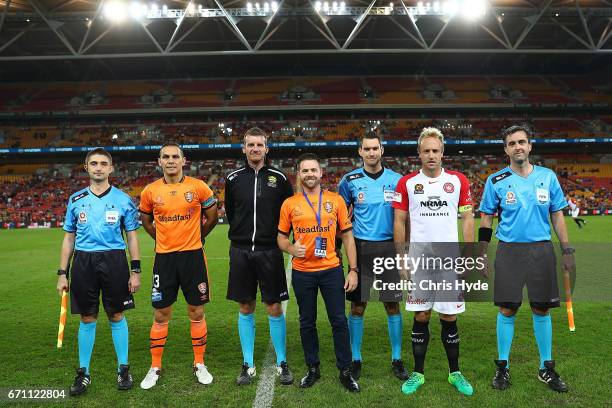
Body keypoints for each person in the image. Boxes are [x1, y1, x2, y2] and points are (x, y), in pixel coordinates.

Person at [479, 124, 575, 393]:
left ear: (530, 146)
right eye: (512, 143)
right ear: (506, 149)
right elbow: (486, 216)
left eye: (522, 142)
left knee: (541, 308)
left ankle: (547, 368)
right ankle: (503, 368)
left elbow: (557, 214)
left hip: (541, 251)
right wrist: (482, 253)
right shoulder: (496, 181)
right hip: (509, 251)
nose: (517, 147)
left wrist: (567, 250)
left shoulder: (548, 176)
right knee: (507, 308)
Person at [392, 128, 475, 396]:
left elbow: (468, 218)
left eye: (435, 150)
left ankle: (455, 373)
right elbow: (400, 221)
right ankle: (418, 373)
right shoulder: (406, 183)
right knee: (421, 315)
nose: (431, 155)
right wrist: (401, 257)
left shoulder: (458, 180)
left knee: (449, 316)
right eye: (426, 150)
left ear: (442, 153)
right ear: (419, 153)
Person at [57, 148, 141, 396]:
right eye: (93, 163)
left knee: (116, 315)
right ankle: (83, 373)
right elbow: (68, 238)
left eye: (103, 163)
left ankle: (123, 369)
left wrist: (135, 270)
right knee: (87, 318)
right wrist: (62, 272)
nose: (98, 167)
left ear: (111, 168)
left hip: (115, 260)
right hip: (84, 262)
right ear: (86, 167)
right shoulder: (76, 199)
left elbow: (133, 237)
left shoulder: (124, 199)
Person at [277, 153, 360, 392]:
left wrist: (353, 270)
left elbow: (347, 237)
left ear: (321, 173)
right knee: (307, 322)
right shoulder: (289, 204)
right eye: (305, 171)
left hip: (331, 270)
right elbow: (281, 238)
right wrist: (292, 248)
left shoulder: (335, 201)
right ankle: (312, 368)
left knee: (338, 321)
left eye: (314, 170)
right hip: (303, 273)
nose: (310, 174)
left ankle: (345, 370)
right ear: (299, 174)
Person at [138, 142, 218, 389]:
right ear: (159, 161)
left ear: (184, 161)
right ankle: (155, 366)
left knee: (196, 311)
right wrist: (163, 240)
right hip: (164, 259)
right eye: (166, 157)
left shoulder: (199, 187)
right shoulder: (150, 191)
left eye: (175, 156)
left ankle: (199, 363)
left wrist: (199, 236)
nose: (171, 160)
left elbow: (212, 216)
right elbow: (146, 221)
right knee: (161, 313)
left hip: (193, 257)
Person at [224, 127, 294, 385]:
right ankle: (248, 363)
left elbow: (289, 214)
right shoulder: (232, 179)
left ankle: (282, 361)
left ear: (267, 149)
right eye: (250, 145)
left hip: (269, 251)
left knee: (274, 307)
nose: (255, 149)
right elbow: (232, 212)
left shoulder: (280, 178)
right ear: (244, 148)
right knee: (245, 306)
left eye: (259, 145)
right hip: (241, 251)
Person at [337, 132, 407, 381]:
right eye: (366, 149)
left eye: (375, 148)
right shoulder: (349, 180)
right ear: (360, 152)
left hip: (389, 248)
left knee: (392, 305)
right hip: (361, 248)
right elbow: (341, 218)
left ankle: (397, 359)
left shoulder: (398, 180)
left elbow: (404, 219)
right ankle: (355, 359)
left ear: (382, 150)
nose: (371, 153)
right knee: (358, 306)